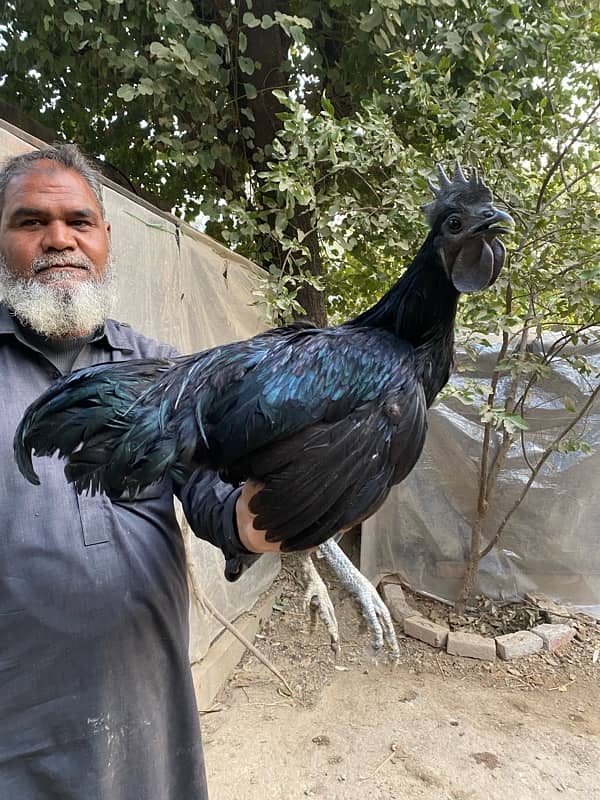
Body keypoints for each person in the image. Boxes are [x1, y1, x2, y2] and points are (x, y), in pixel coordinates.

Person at [0, 144, 281, 799]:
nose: (59, 240)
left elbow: (221, 503)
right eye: (30, 222)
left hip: (146, 720)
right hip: (15, 731)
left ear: (106, 239)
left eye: (78, 221)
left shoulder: (164, 371)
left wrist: (299, 496)